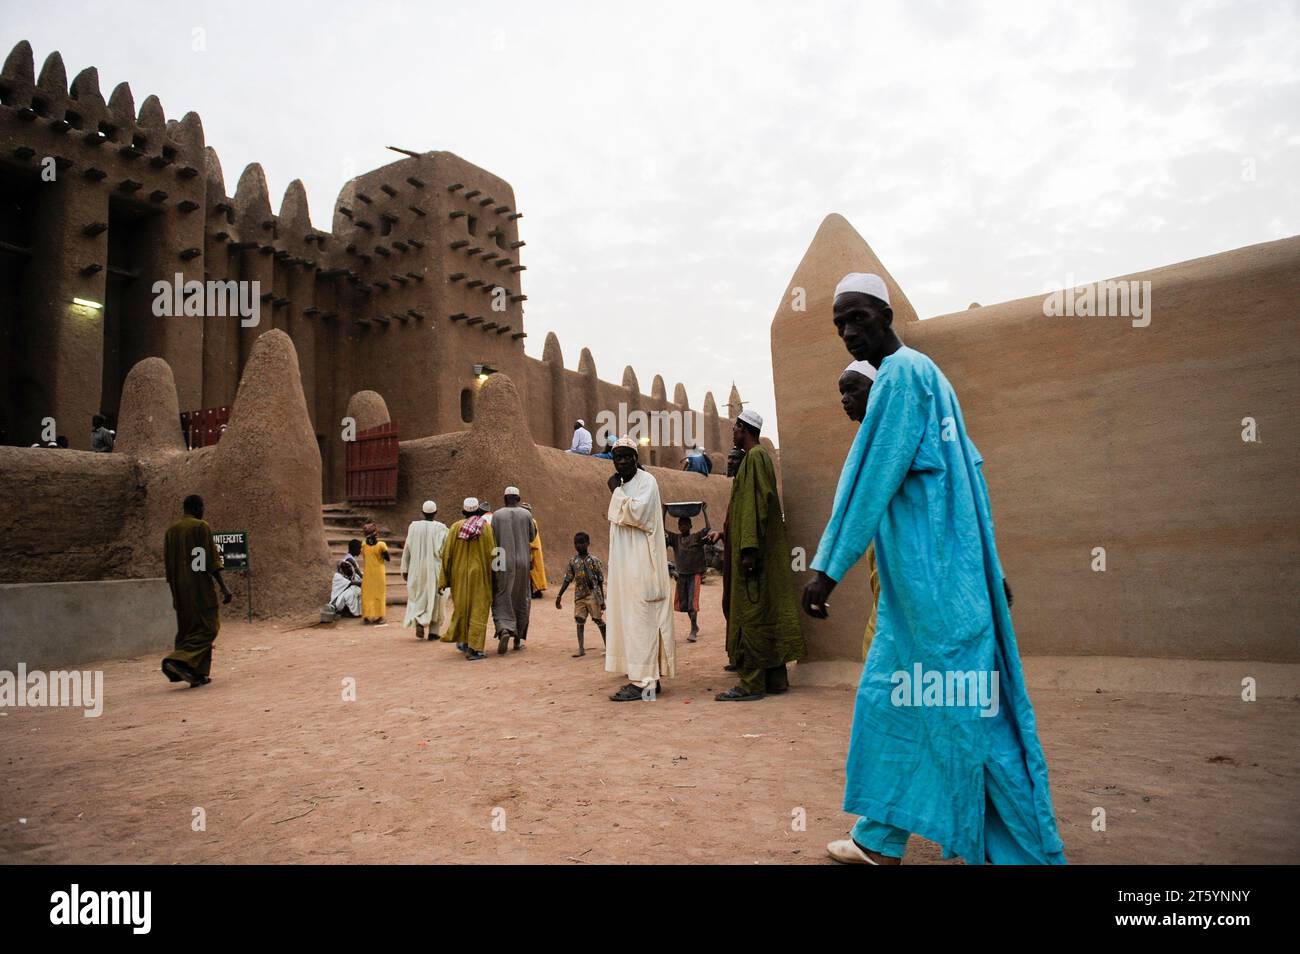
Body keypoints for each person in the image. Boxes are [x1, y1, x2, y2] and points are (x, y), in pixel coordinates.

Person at [807, 272, 1064, 866]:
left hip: (936, 588)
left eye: (859, 317)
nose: (849, 330)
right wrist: (989, 571)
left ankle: (1026, 854)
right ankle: (878, 839)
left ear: (885, 314)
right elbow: (971, 475)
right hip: (922, 591)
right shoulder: (928, 376)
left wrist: (826, 568)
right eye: (839, 322)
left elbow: (871, 478)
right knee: (893, 701)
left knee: (964, 717)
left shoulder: (901, 377)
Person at [706, 410, 806, 700]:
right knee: (767, 611)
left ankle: (750, 683)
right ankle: (776, 678)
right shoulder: (759, 459)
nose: (732, 431)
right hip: (761, 550)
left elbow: (754, 506)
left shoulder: (753, 459)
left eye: (736, 427)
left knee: (750, 613)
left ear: (745, 430)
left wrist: (748, 549)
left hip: (754, 553)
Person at [604, 435, 675, 701]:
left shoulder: (648, 482)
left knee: (642, 621)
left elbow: (638, 514)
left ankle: (645, 684)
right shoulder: (625, 485)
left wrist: (615, 491)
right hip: (625, 567)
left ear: (637, 459)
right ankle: (645, 679)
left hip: (643, 565)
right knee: (631, 621)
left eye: (627, 456)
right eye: (617, 457)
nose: (622, 461)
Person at [161, 494, 232, 687]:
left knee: (188, 628)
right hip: (198, 585)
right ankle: (179, 660)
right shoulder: (201, 527)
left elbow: (168, 564)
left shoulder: (171, 531)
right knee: (209, 627)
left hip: (178, 587)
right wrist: (224, 588)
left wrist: (174, 588)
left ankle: (196, 672)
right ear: (198, 507)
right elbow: (209, 560)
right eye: (203, 507)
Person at [438, 498, 498, 660]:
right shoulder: (486, 529)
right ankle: (475, 649)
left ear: (463, 512)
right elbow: (494, 553)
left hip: (459, 577)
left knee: (463, 609)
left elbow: (446, 555)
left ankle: (464, 642)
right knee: (478, 610)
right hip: (480, 577)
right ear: (478, 511)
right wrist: (497, 577)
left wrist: (443, 580)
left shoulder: (455, 528)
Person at [490, 486, 536, 654]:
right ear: (518, 498)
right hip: (523, 561)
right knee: (521, 596)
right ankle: (517, 639)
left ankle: (504, 629)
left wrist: (493, 567)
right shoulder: (526, 514)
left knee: (501, 594)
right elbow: (532, 536)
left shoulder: (497, 515)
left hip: (501, 559)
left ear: (505, 498)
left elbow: (492, 540)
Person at [402, 500, 449, 641]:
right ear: (435, 513)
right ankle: (434, 632)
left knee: (418, 596)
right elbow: (445, 551)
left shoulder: (414, 527)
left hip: (416, 569)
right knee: (437, 598)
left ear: (422, 513)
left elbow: (407, 549)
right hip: (435, 569)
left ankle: (419, 621)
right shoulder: (441, 528)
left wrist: (405, 569)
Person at [555, 531, 607, 657]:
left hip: (593, 595)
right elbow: (567, 579)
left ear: (588, 543)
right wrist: (559, 595)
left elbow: (600, 580)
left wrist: (601, 600)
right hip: (579, 596)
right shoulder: (573, 561)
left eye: (582, 543)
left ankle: (609, 646)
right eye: (576, 543)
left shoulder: (594, 561)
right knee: (579, 619)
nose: (579, 546)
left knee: (598, 620)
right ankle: (581, 648)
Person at [664, 507, 711, 641]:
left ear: (690, 526)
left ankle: (693, 629)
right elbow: (662, 528)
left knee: (692, 603)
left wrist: (704, 511)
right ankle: (695, 625)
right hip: (682, 575)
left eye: (685, 524)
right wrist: (664, 511)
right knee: (684, 604)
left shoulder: (696, 537)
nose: (683, 526)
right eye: (680, 524)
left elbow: (708, 528)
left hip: (694, 574)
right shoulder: (675, 539)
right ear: (678, 527)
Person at [359, 522, 389, 624]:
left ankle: (366, 617)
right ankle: (379, 617)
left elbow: (364, 556)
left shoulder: (363, 544)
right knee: (379, 594)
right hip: (379, 573)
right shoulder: (381, 545)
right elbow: (387, 558)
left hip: (368, 573)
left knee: (367, 594)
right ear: (376, 533)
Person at [330, 539, 364, 617]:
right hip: (345, 588)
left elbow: (357, 575)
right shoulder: (349, 560)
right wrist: (363, 582)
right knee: (354, 592)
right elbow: (351, 580)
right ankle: (349, 611)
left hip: (347, 585)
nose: (360, 551)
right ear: (354, 548)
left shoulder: (350, 558)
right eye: (359, 548)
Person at [522, 503, 548, 598]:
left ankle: (535, 590)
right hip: (531, 548)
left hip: (532, 549)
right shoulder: (531, 521)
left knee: (532, 571)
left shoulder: (531, 522)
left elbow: (531, 537)